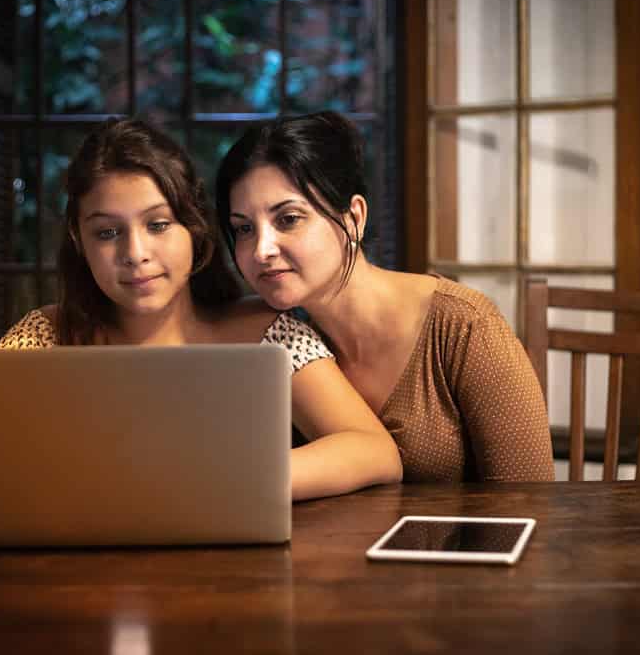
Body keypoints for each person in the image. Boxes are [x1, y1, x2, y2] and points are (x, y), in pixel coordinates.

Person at [0, 118, 402, 500]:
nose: (135, 253)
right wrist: (86, 484)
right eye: (107, 232)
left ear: (196, 229)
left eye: (159, 225)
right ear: (80, 241)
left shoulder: (264, 332)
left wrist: (229, 479)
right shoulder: (50, 333)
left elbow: (373, 450)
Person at [215, 111, 555, 482]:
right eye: (244, 228)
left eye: (289, 219)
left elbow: (530, 501)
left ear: (355, 218)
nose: (261, 249)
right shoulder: (283, 342)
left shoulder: (465, 327)